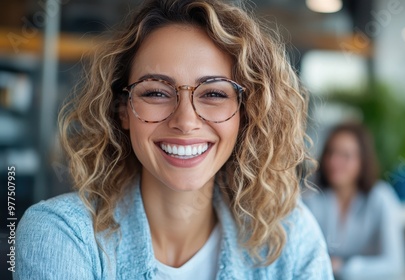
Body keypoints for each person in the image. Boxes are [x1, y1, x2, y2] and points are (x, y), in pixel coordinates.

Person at [15, 1, 333, 279]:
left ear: (245, 113)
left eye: (214, 93)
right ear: (123, 110)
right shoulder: (64, 234)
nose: (185, 121)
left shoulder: (291, 236)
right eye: (156, 92)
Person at [303, 123, 405, 280]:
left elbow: (395, 265)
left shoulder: (381, 197)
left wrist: (343, 267)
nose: (333, 161)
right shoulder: (312, 196)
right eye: (330, 152)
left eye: (345, 155)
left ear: (362, 161)